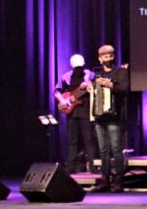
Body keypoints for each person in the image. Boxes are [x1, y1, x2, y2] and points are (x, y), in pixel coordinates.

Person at [89, 45, 131, 193]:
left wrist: (111, 85)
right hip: (100, 117)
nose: (107, 58)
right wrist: (91, 88)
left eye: (110, 55)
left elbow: (125, 90)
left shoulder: (121, 72)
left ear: (113, 56)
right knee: (103, 150)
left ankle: (119, 180)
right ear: (100, 58)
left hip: (114, 115)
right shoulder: (97, 74)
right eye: (104, 56)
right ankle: (105, 179)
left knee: (116, 149)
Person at [54, 54, 98, 174]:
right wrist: (63, 101)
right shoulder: (66, 77)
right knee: (72, 141)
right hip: (72, 113)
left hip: (85, 112)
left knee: (89, 140)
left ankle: (93, 166)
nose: (78, 69)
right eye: (76, 67)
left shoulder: (89, 75)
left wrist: (88, 84)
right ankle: (71, 166)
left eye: (80, 67)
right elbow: (56, 91)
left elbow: (96, 86)